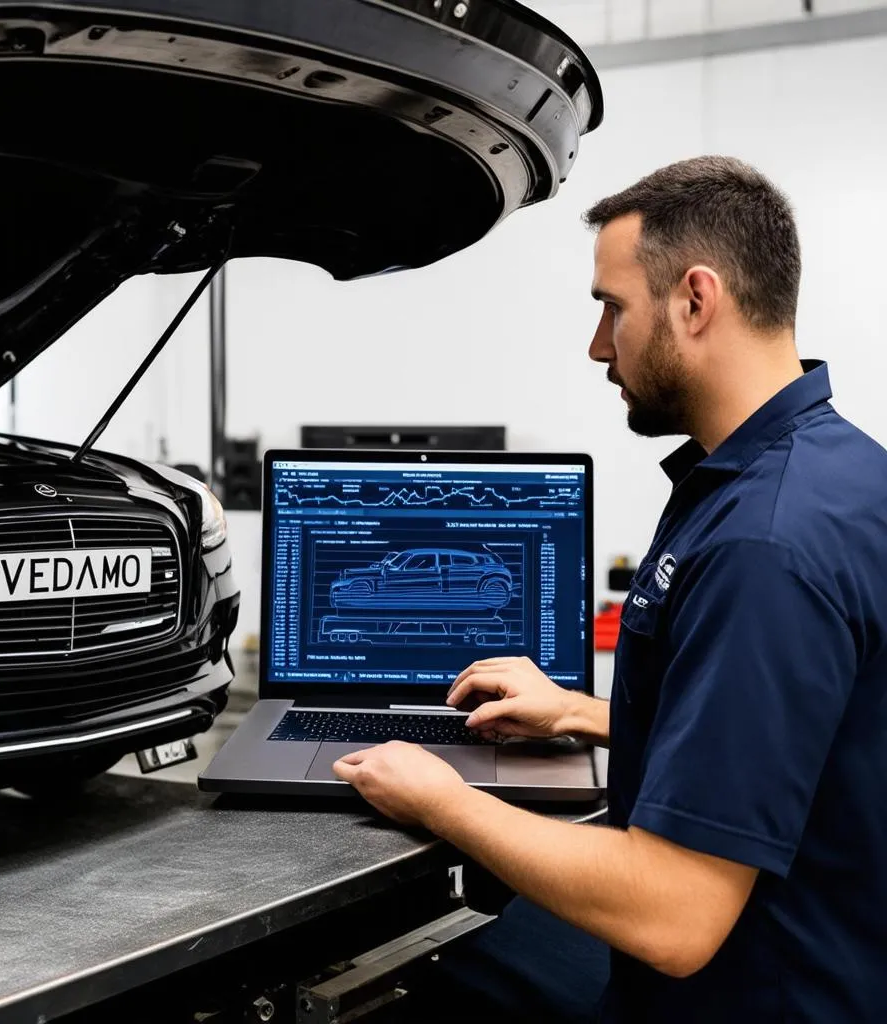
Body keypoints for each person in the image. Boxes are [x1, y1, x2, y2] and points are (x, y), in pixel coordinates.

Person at [333, 156, 887, 1022]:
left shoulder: (761, 546)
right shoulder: (836, 473)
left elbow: (674, 917)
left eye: (611, 307)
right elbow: (805, 734)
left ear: (695, 301)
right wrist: (582, 712)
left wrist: (446, 799)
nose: (598, 344)